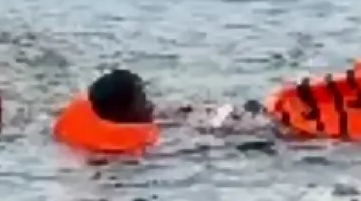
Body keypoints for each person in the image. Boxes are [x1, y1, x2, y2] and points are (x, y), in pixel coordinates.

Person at [53, 68, 270, 155]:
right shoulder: (135, 154)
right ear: (122, 111)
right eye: (141, 101)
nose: (149, 104)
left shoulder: (128, 117)